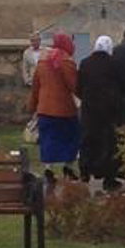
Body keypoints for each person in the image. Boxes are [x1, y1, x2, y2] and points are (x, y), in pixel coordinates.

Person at [27, 32, 80, 184]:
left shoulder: (42, 62)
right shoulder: (66, 62)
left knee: (48, 139)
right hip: (64, 109)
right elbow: (74, 85)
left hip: (44, 109)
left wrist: (32, 106)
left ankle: (48, 169)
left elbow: (36, 87)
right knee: (71, 137)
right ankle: (68, 166)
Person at [77, 35, 125, 191]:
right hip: (110, 112)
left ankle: (85, 172)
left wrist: (86, 99)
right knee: (110, 144)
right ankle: (109, 177)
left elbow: (78, 87)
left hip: (90, 111)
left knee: (88, 141)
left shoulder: (85, 63)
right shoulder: (116, 64)